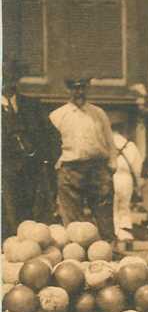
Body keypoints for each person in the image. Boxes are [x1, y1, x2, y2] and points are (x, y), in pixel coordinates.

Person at [49, 78, 117, 242]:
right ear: (68, 90)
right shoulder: (58, 115)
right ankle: (76, 251)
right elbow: (50, 146)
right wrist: (57, 167)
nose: (79, 92)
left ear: (88, 89)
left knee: (104, 212)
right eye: (75, 88)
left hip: (98, 168)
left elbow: (110, 141)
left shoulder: (98, 113)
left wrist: (112, 165)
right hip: (70, 169)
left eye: (83, 88)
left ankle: (108, 248)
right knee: (72, 216)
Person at [2, 60, 59, 238]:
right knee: (7, 218)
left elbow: (53, 137)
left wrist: (45, 162)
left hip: (32, 174)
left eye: (12, 76)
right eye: (4, 77)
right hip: (5, 174)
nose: (8, 81)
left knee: (31, 219)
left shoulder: (32, 105)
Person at [111, 124, 143, 241]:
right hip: (126, 179)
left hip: (111, 177)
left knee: (112, 207)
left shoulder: (106, 144)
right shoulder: (130, 145)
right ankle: (125, 233)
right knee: (124, 206)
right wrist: (139, 185)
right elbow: (138, 167)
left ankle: (114, 232)